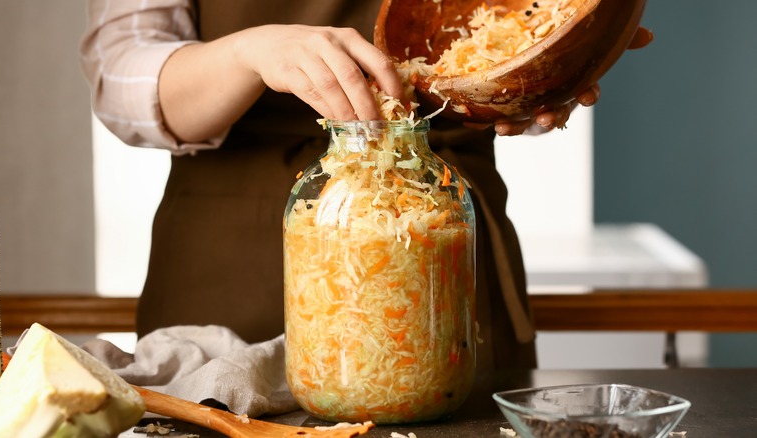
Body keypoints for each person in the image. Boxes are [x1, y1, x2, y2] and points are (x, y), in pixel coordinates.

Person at [80, 1, 651, 370]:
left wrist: (529, 75)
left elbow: (502, 23)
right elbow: (122, 78)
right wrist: (247, 52)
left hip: (443, 244)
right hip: (227, 268)